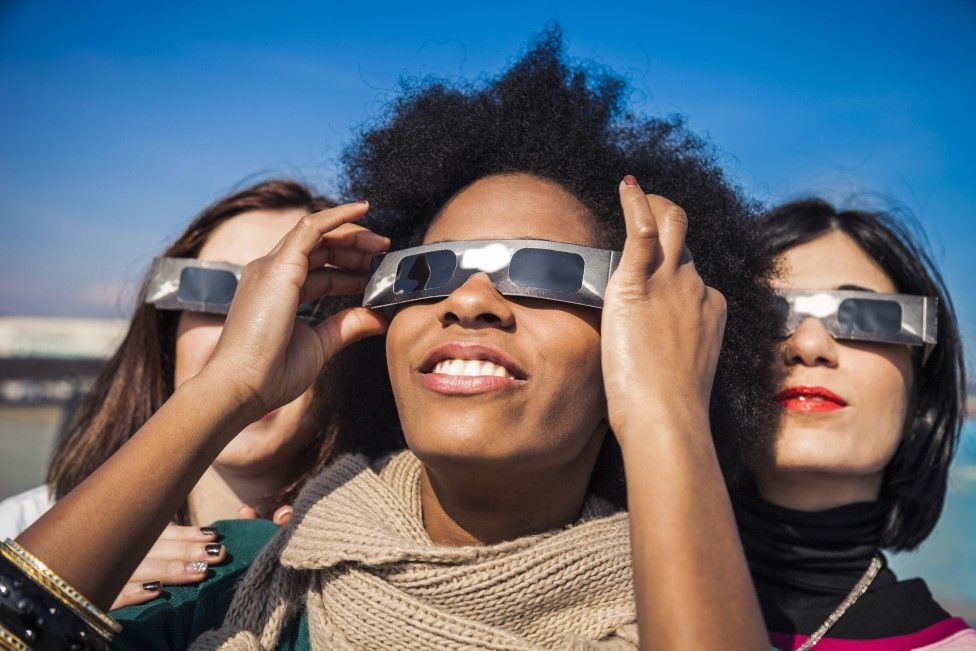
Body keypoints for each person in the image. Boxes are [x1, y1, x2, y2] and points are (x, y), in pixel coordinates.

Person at [5, 31, 779, 649]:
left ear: (642, 333)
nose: (471, 299)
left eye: (545, 272)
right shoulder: (225, 576)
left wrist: (669, 415)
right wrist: (228, 387)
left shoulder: (697, 608)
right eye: (428, 271)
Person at [0, 179, 337, 609]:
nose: (250, 339)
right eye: (214, 293)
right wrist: (67, 586)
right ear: (167, 333)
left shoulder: (384, 558)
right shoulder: (20, 527)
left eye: (300, 303)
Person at [737, 198, 975, 649]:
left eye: (865, 316)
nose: (808, 344)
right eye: (769, 313)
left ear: (920, 393)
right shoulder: (597, 606)